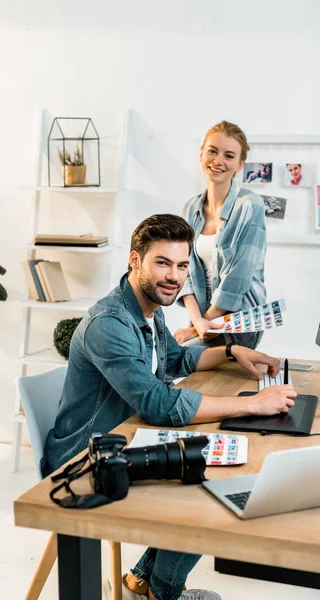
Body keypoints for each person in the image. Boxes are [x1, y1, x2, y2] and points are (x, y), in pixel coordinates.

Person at [42, 214, 296, 600]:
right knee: (211, 486)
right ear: (134, 261)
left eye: (181, 266)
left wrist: (231, 350)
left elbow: (176, 359)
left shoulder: (147, 309)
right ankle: (164, 592)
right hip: (83, 462)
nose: (174, 277)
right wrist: (253, 405)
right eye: (162, 263)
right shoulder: (109, 323)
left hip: (123, 439)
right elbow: (159, 404)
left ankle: (143, 579)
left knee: (215, 462)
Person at [174, 121, 266, 350]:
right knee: (166, 356)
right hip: (203, 319)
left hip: (240, 321)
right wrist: (197, 322)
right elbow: (182, 271)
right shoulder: (189, 209)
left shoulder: (250, 206)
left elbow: (239, 278)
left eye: (229, 155)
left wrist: (198, 328)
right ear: (201, 154)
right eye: (212, 151)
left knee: (182, 357)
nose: (218, 161)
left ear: (239, 164)